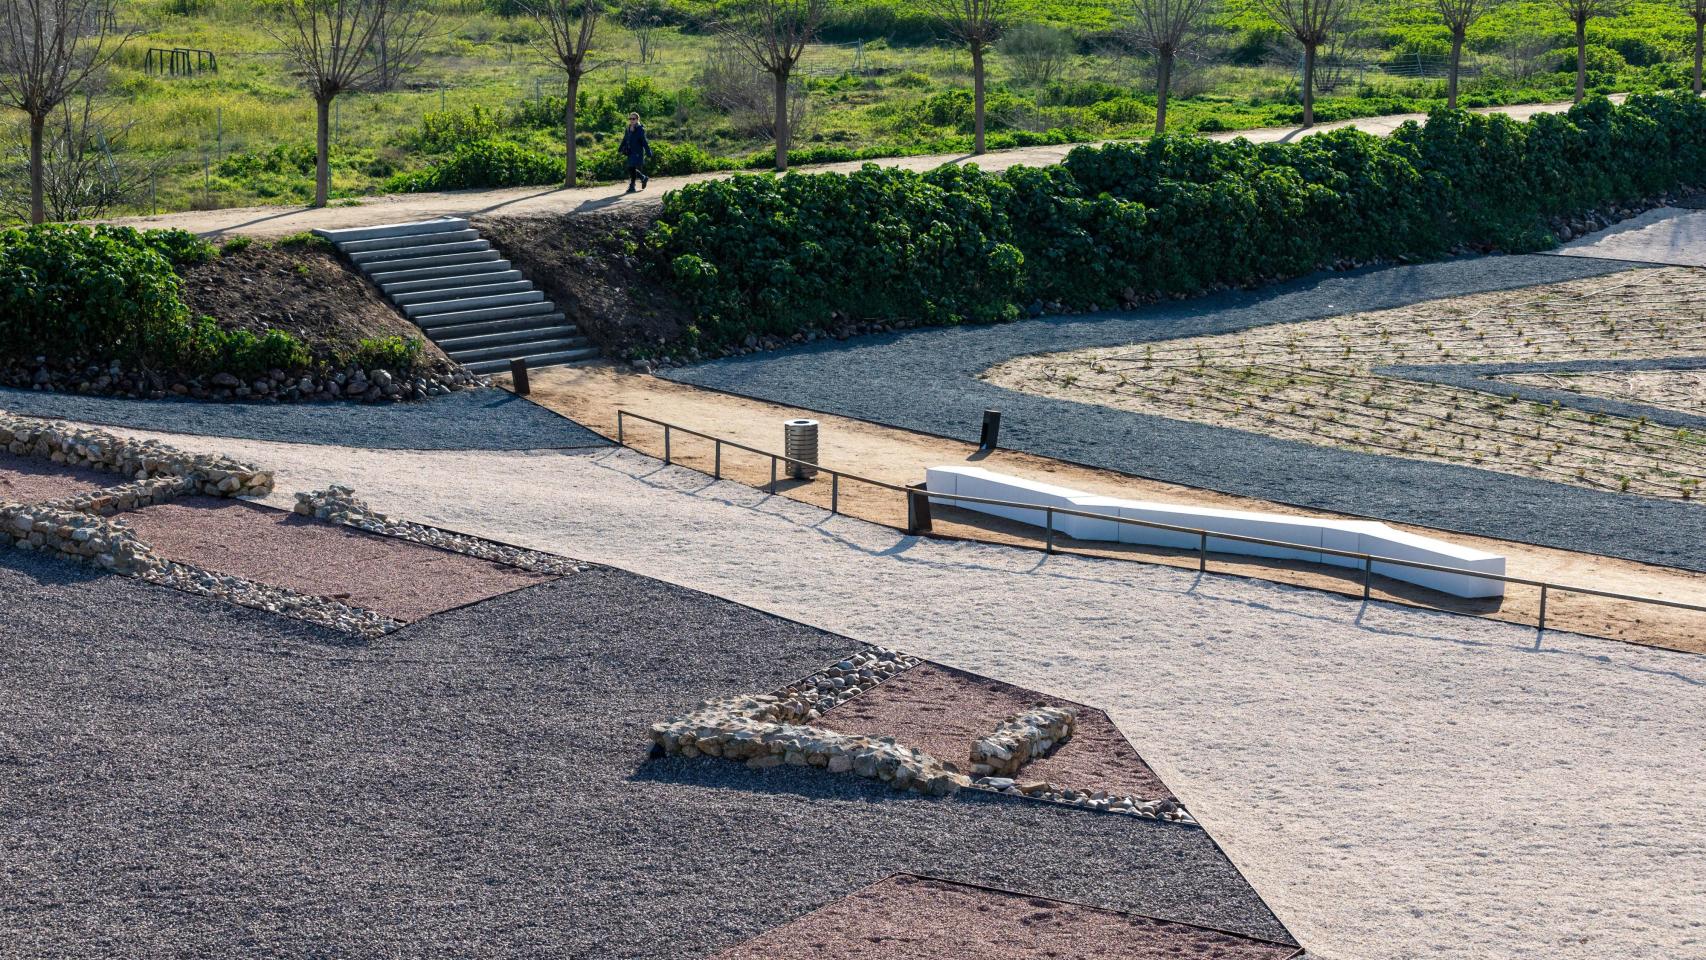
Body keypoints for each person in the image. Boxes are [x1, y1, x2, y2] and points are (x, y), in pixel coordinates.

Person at [619, 112, 652, 193]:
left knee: (631, 167)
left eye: (633, 119)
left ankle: (632, 186)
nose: (631, 120)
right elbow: (625, 139)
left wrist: (648, 151)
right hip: (630, 152)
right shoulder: (628, 128)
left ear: (637, 119)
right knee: (631, 168)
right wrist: (620, 149)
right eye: (630, 119)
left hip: (637, 152)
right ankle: (643, 178)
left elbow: (644, 141)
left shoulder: (640, 129)